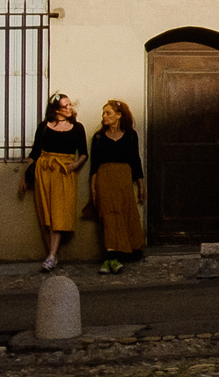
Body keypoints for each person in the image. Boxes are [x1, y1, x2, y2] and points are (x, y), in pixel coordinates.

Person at [18, 91, 89, 269]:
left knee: (59, 213)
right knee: (46, 214)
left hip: (64, 172)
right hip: (44, 172)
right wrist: (24, 177)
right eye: (66, 106)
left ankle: (50, 255)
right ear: (56, 110)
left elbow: (84, 154)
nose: (70, 108)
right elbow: (34, 153)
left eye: (70, 105)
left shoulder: (78, 127)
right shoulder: (44, 127)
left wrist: (75, 165)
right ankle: (52, 256)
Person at [88, 99, 147, 273]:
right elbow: (94, 166)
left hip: (123, 179)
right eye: (104, 113)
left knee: (123, 214)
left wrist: (141, 185)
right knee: (108, 216)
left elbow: (136, 161)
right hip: (104, 179)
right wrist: (93, 188)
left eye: (108, 113)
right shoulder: (98, 137)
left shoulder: (130, 135)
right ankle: (111, 257)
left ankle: (116, 258)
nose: (104, 116)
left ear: (119, 115)